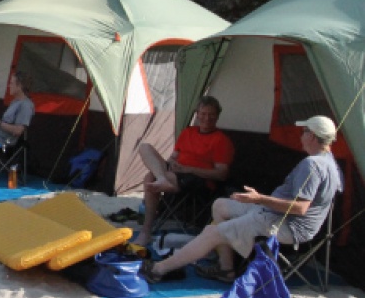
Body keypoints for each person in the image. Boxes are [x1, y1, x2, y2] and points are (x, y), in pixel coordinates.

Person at [143, 115, 342, 283]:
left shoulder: (312, 165)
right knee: (220, 205)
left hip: (285, 224)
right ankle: (226, 268)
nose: (301, 136)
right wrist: (259, 200)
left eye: (305, 132)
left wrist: (259, 198)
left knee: (214, 232)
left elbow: (300, 208)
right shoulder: (330, 162)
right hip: (275, 214)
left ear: (313, 136)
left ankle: (159, 269)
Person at [134, 96, 234, 246]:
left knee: (149, 179)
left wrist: (189, 169)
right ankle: (162, 178)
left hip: (199, 179)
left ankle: (146, 231)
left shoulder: (221, 140)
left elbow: (221, 174)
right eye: (203, 114)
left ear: (217, 116)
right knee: (144, 147)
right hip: (176, 172)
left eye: (211, 114)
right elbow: (174, 156)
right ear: (197, 114)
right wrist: (171, 163)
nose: (207, 118)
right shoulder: (188, 132)